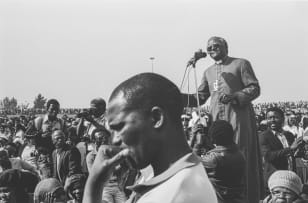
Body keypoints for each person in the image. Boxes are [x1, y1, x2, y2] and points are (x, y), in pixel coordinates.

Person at [83, 72, 217, 203]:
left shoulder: (171, 195)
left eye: (120, 127)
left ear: (156, 118)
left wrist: (94, 183)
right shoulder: (178, 175)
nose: (115, 141)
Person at [197, 36, 263, 202]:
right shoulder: (208, 72)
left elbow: (254, 88)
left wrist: (236, 96)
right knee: (218, 161)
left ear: (226, 47)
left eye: (216, 45)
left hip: (238, 119)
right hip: (217, 124)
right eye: (209, 47)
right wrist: (178, 98)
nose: (212, 49)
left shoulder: (241, 64)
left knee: (241, 157)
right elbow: (200, 96)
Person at [202, 120, 246, 203]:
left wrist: (197, 142)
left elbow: (192, 164)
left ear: (213, 138)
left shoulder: (213, 159)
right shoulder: (240, 154)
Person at [259, 107, 301, 191]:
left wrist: (299, 149)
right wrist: (290, 149)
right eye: (269, 118)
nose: (272, 120)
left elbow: (293, 154)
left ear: (283, 118)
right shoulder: (264, 136)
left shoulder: (289, 135)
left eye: (275, 117)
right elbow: (268, 156)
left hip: (290, 177)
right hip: (275, 179)